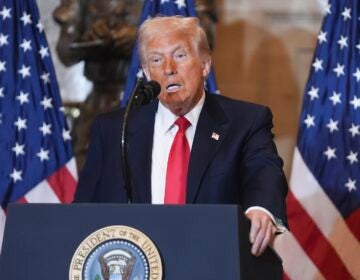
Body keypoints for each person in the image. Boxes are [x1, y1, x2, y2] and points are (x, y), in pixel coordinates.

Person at [74, 16, 288, 257]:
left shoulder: (245, 121)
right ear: (146, 72)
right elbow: (83, 211)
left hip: (213, 261)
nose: (168, 69)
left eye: (180, 55)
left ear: (205, 64)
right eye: (156, 60)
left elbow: (264, 171)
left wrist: (261, 208)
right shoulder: (114, 130)